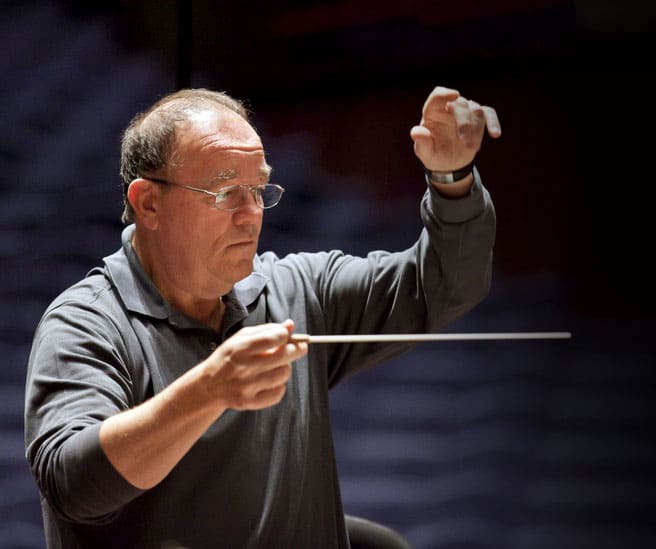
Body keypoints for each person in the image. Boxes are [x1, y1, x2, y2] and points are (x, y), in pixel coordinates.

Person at [23, 85, 500, 548]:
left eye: (259, 190)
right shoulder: (85, 322)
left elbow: (444, 283)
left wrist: (451, 178)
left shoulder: (296, 291)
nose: (252, 215)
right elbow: (75, 485)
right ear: (149, 202)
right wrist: (208, 390)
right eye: (226, 191)